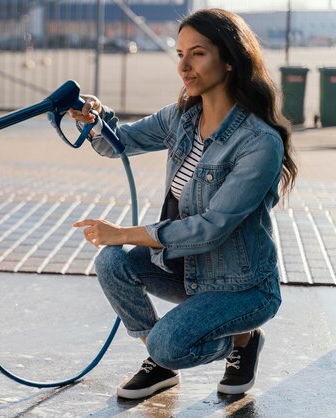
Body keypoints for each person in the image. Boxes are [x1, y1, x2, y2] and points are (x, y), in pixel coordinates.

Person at [69, 8, 297, 400]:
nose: (184, 66)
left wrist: (123, 232)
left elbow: (210, 228)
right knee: (112, 261)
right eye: (179, 54)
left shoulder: (259, 142)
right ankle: (162, 362)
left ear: (229, 60)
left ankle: (240, 340)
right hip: (190, 273)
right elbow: (117, 143)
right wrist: (94, 116)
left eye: (198, 53)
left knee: (168, 342)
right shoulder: (181, 119)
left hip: (242, 287)